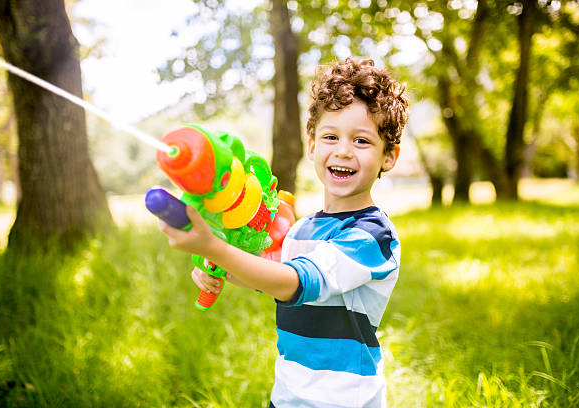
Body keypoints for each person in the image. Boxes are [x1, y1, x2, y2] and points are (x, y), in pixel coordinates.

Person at [159, 57, 409, 408]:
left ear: (389, 156)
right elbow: (272, 278)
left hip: (345, 401)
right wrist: (224, 270)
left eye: (362, 141)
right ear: (311, 145)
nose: (342, 150)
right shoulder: (305, 227)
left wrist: (214, 247)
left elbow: (294, 283)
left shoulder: (373, 235)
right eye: (331, 136)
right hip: (289, 395)